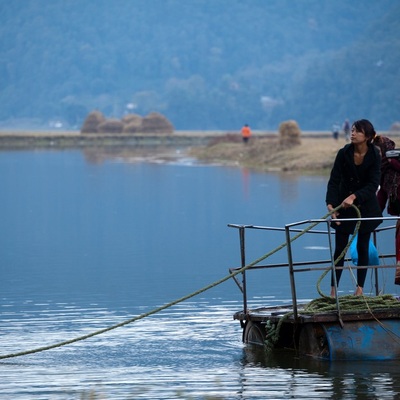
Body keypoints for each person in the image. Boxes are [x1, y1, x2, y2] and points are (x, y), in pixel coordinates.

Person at [326, 119, 382, 297]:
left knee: (363, 247)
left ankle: (360, 289)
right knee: (339, 249)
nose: (353, 133)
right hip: (343, 207)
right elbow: (334, 180)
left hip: (365, 207)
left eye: (357, 131)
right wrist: (331, 204)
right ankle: (333, 291)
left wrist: (355, 196)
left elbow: (373, 184)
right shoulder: (344, 153)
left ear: (367, 136)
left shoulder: (374, 155)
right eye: (352, 130)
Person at [373, 135, 400, 275]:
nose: (377, 155)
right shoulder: (384, 172)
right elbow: (381, 198)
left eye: (379, 152)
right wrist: (368, 221)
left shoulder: (394, 167)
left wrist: (394, 162)